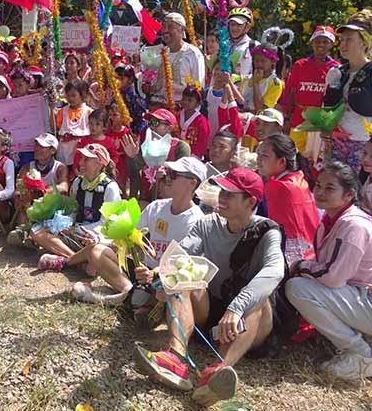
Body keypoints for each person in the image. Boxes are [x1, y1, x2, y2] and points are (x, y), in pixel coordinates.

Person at [132, 167, 284, 407]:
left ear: (250, 201)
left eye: (231, 194)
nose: (221, 196)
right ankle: (176, 358)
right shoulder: (207, 223)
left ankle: (217, 373)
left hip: (250, 324)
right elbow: (180, 256)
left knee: (259, 300)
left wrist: (236, 308)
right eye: (221, 190)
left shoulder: (268, 231)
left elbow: (275, 271)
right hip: (213, 314)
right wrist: (157, 273)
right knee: (182, 275)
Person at [286, 161, 372, 381]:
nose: (319, 192)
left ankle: (362, 354)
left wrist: (301, 266)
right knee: (305, 283)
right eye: (318, 185)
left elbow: (333, 278)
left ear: (349, 195)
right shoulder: (331, 220)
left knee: (298, 288)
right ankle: (369, 340)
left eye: (330, 188)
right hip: (366, 299)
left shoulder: (353, 225)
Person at [72, 157, 206, 310]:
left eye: (174, 175)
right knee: (96, 251)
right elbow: (129, 240)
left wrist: (154, 275)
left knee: (150, 303)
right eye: (168, 173)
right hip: (141, 270)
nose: (166, 178)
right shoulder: (156, 207)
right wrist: (100, 240)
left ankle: (114, 297)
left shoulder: (197, 221)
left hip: (164, 280)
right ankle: (129, 293)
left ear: (192, 183)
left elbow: (184, 268)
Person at [32, 143, 121, 271]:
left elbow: (107, 224)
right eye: (82, 158)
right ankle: (78, 261)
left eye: (87, 159)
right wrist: (65, 225)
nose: (81, 162)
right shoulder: (78, 182)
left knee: (94, 251)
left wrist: (77, 230)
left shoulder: (110, 188)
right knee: (37, 231)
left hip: (97, 238)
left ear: (100, 164)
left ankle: (71, 260)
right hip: (78, 234)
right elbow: (74, 211)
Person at [324, 11, 372, 171]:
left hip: (365, 147)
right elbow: (326, 109)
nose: (343, 44)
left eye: (349, 39)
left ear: (364, 42)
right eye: (342, 39)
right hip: (335, 143)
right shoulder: (336, 73)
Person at [257, 133, 318, 267]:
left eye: (265, 156)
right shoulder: (298, 177)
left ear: (282, 162)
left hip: (292, 258)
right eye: (258, 154)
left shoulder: (278, 186)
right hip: (313, 249)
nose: (258, 160)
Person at [278, 25, 339, 155]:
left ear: (331, 44)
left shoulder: (336, 68)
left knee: (314, 159)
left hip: (319, 124)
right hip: (298, 120)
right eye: (317, 41)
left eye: (325, 42)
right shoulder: (300, 65)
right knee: (294, 156)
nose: (320, 45)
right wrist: (286, 118)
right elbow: (290, 92)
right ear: (312, 43)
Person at [6, 133, 69, 246]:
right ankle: (22, 231)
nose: (37, 149)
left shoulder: (59, 167)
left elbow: (64, 187)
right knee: (24, 198)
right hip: (30, 204)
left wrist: (43, 191)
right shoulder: (26, 167)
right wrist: (21, 194)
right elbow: (18, 188)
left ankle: (29, 234)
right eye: (36, 145)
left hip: (49, 206)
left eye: (42, 147)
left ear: (52, 151)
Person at [123, 109, 191, 202]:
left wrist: (166, 176)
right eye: (150, 122)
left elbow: (183, 177)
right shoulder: (145, 146)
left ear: (169, 128)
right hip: (146, 201)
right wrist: (132, 157)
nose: (151, 127)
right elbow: (134, 176)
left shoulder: (180, 147)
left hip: (170, 202)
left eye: (156, 122)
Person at [150, 12, 205, 107]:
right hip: (160, 108)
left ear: (182, 30)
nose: (165, 31)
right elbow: (156, 85)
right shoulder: (162, 52)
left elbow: (199, 88)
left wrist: (176, 88)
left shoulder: (193, 53)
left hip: (183, 109)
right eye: (164, 26)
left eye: (170, 27)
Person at [55, 79, 93, 165]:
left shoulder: (89, 112)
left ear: (82, 95)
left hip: (82, 154)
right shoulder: (62, 111)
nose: (70, 98)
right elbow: (56, 128)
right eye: (68, 95)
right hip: (64, 153)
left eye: (74, 95)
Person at [72, 108, 119, 177]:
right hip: (87, 174)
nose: (93, 127)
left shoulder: (109, 142)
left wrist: (109, 167)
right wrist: (76, 170)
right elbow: (77, 157)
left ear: (104, 127)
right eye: (91, 123)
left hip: (103, 175)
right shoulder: (84, 140)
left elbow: (115, 157)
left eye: (97, 124)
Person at [178, 84, 210, 158]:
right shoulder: (178, 115)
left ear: (198, 104)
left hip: (193, 157)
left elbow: (202, 144)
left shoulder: (202, 122)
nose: (185, 102)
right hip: (176, 153)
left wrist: (193, 157)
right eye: (184, 99)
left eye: (190, 100)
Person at [227, 3, 254, 80]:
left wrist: (239, 78)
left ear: (247, 27)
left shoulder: (253, 46)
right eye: (232, 24)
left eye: (239, 25)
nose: (234, 28)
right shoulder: (224, 44)